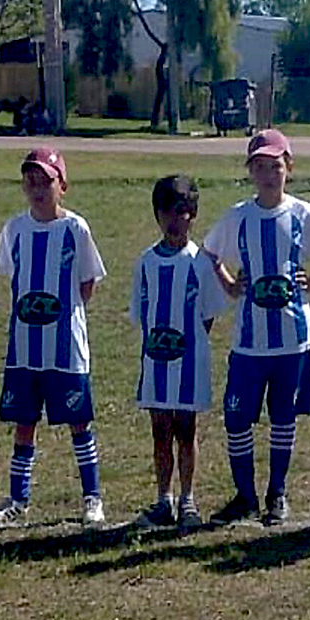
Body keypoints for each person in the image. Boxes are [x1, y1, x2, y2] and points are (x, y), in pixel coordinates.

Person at [203, 129, 310, 525]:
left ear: (289, 169)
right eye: (260, 167)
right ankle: (245, 494)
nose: (268, 175)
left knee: (283, 417)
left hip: (292, 339)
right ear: (251, 172)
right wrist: (231, 285)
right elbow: (210, 250)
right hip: (249, 343)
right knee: (237, 418)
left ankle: (277, 492)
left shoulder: (300, 214)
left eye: (275, 167)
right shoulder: (239, 216)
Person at [0, 148, 109, 526]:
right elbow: (8, 275)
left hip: (65, 348)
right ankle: (18, 499)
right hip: (24, 349)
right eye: (30, 181)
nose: (38, 189)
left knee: (78, 421)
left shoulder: (75, 229)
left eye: (46, 181)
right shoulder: (15, 229)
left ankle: (92, 497)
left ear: (62, 186)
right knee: (24, 423)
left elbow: (88, 284)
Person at [132, 175, 231, 527]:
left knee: (186, 429)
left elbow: (208, 315)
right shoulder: (146, 262)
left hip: (189, 361)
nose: (176, 221)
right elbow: (141, 314)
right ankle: (164, 499)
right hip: (156, 361)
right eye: (168, 213)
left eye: (183, 213)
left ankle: (188, 499)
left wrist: (188, 343)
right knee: (160, 430)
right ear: (157, 215)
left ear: (193, 215)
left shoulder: (201, 261)